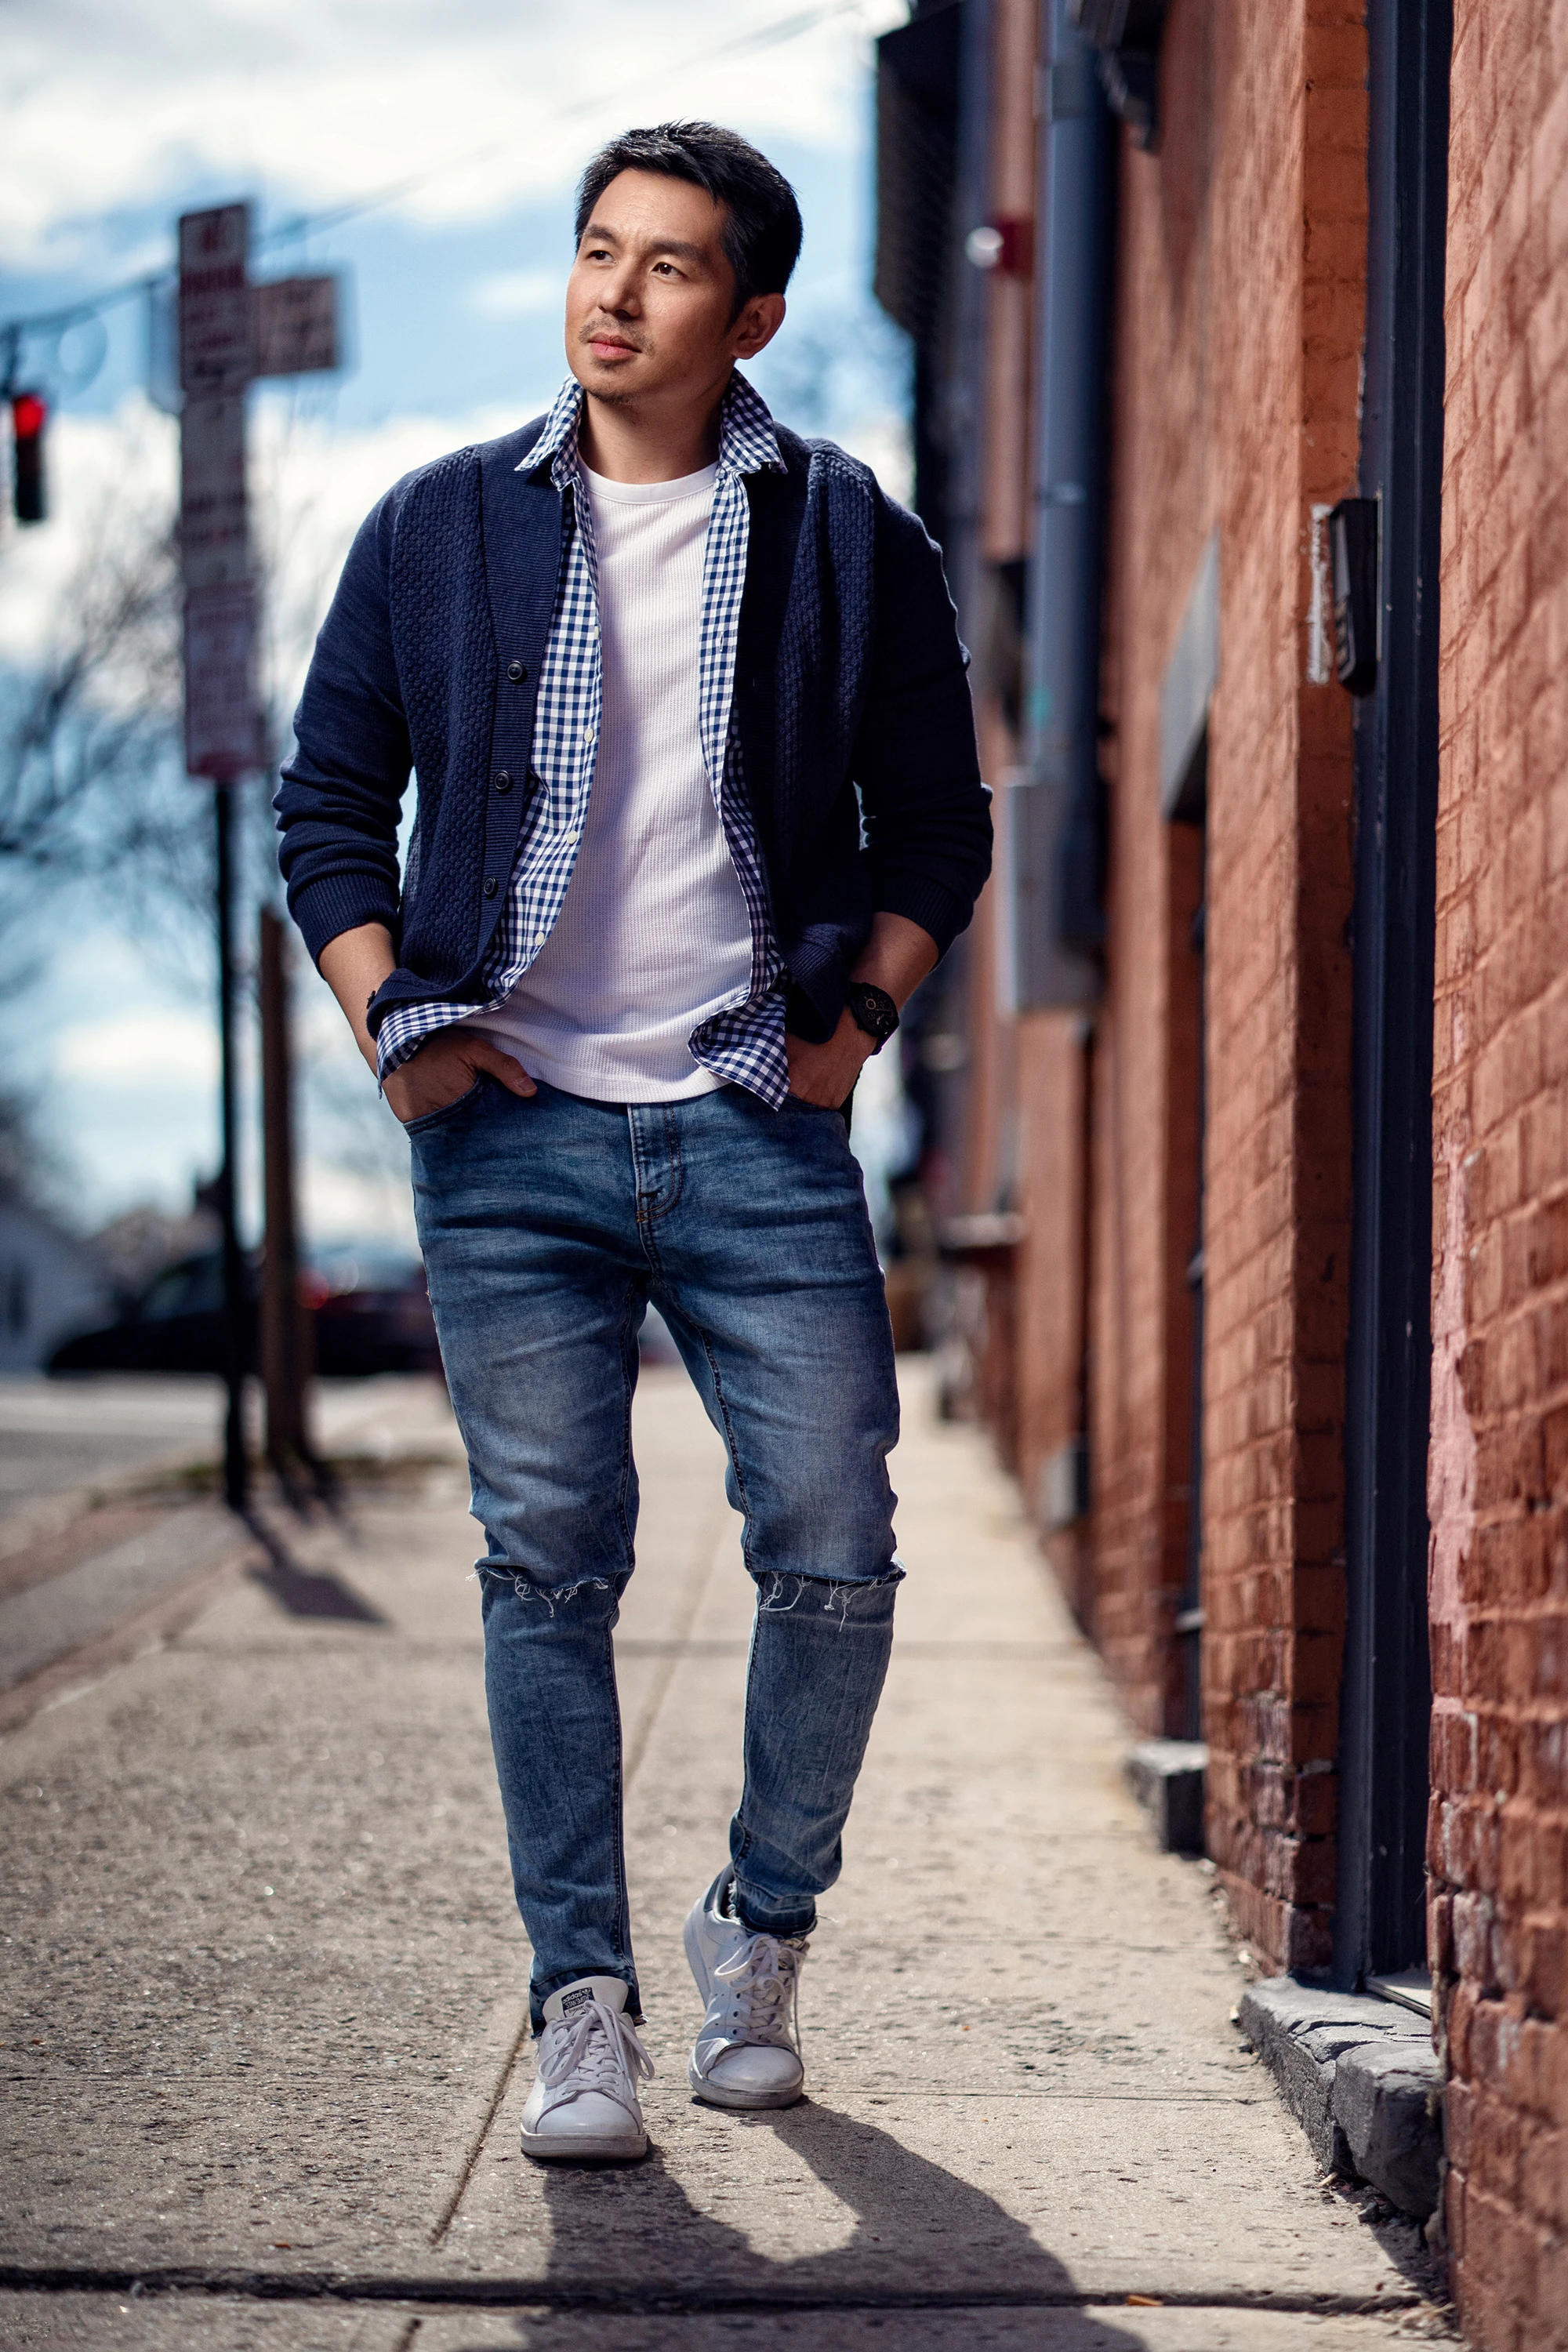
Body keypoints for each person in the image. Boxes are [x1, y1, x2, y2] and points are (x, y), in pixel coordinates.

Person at [277, 120, 990, 2163]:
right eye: (598, 252)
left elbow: (940, 826)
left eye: (670, 267)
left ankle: (758, 1933)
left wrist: (851, 1032)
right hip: (508, 1133)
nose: (616, 294)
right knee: (547, 1567)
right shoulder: (439, 531)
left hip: (756, 1115)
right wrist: (390, 1026)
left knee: (835, 1545)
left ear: (749, 312)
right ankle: (576, 2003)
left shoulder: (851, 536)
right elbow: (331, 800)